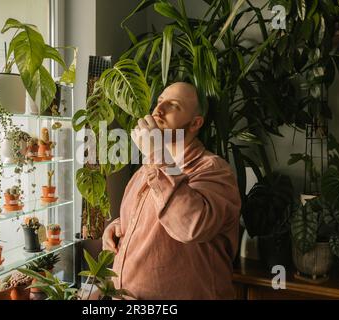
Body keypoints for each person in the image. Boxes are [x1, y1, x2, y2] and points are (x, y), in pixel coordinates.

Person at [102, 82, 241, 300]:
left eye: (173, 105)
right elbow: (150, 218)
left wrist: (156, 154)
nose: (158, 110)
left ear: (195, 123)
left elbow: (192, 226)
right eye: (159, 102)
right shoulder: (147, 169)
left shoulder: (214, 170)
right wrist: (118, 227)